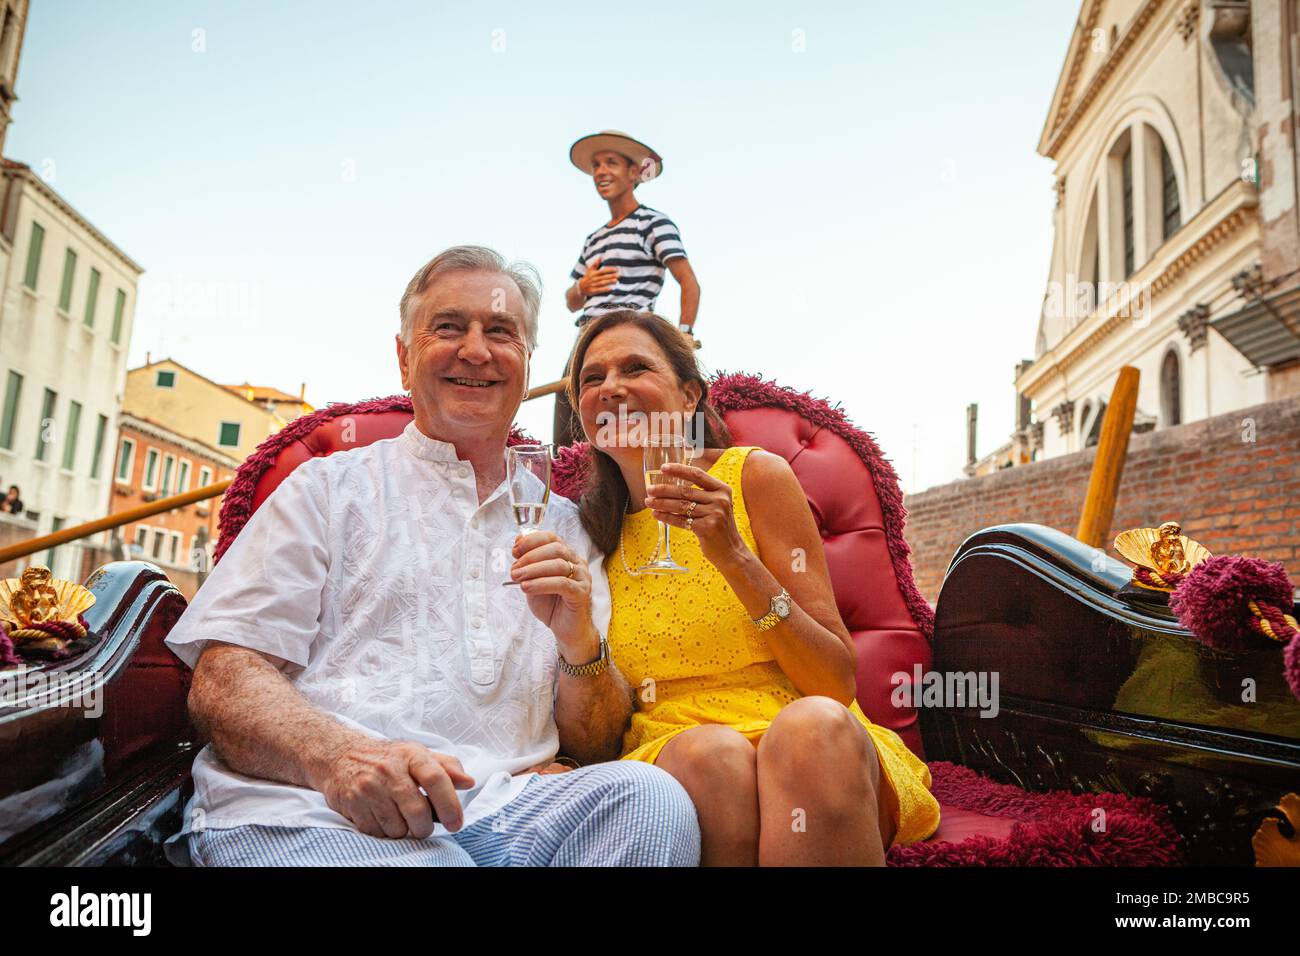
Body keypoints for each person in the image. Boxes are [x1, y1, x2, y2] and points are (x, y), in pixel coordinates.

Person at [162, 247, 699, 867]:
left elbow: (600, 741)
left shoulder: (570, 527)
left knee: (650, 798)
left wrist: (581, 647)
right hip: (314, 808)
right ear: (403, 356)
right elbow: (225, 679)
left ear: (526, 365)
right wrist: (338, 757)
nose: (476, 350)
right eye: (449, 327)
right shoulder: (326, 490)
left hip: (510, 806)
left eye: (502, 332)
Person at [565, 309, 941, 866]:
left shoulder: (755, 478)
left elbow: (833, 681)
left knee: (813, 727)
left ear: (690, 395)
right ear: (580, 411)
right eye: (591, 379)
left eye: (635, 367)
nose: (611, 387)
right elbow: (594, 722)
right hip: (677, 751)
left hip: (810, 745)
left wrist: (735, 556)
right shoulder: (586, 530)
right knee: (712, 755)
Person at [553, 130, 701, 447]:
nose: (601, 172)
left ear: (634, 173)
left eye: (611, 163)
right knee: (568, 429)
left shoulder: (653, 223)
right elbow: (570, 301)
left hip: (629, 334)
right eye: (596, 165)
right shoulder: (593, 239)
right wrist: (583, 285)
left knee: (633, 423)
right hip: (586, 340)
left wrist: (684, 333)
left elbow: (688, 281)